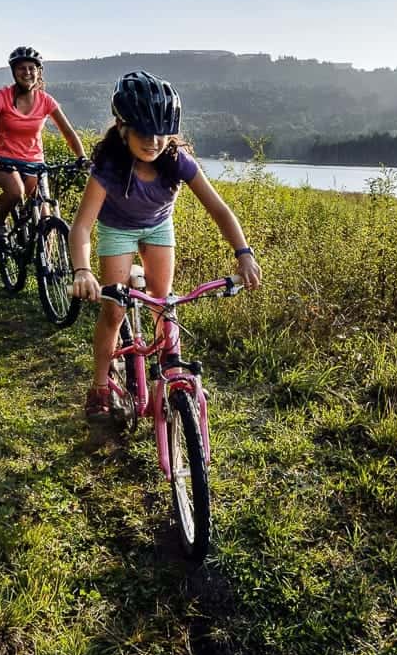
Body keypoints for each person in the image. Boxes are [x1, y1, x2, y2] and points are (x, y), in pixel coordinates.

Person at [68, 71, 262, 420]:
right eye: (144, 132)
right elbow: (82, 226)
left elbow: (219, 209)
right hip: (118, 229)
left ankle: (171, 370)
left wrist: (243, 253)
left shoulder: (177, 160)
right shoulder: (110, 164)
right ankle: (99, 386)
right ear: (122, 126)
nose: (154, 141)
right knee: (113, 310)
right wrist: (82, 270)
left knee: (164, 301)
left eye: (162, 132)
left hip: (158, 226)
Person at [0, 47, 89, 249]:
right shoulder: (1, 96)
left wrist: (82, 156)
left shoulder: (46, 100)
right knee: (15, 192)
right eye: (21, 68)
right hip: (3, 159)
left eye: (31, 68)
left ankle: (49, 262)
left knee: (45, 213)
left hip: (34, 162)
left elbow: (68, 132)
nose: (27, 72)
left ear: (38, 72)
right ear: (13, 72)